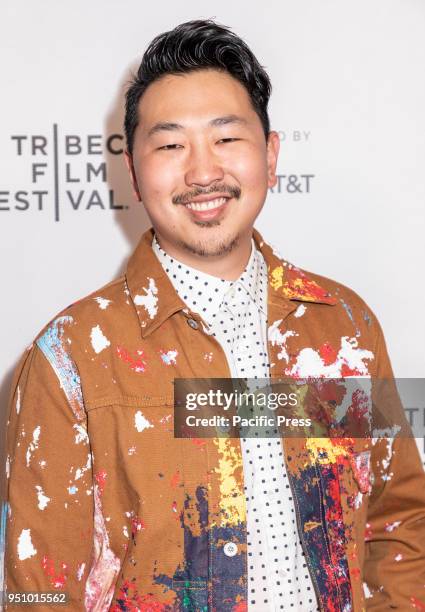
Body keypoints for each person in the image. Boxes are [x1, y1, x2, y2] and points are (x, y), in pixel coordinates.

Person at [2, 19, 425, 612]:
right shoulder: (70, 358)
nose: (202, 172)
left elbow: (395, 521)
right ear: (134, 170)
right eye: (171, 145)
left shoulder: (344, 327)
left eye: (226, 138)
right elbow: (37, 594)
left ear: (271, 155)